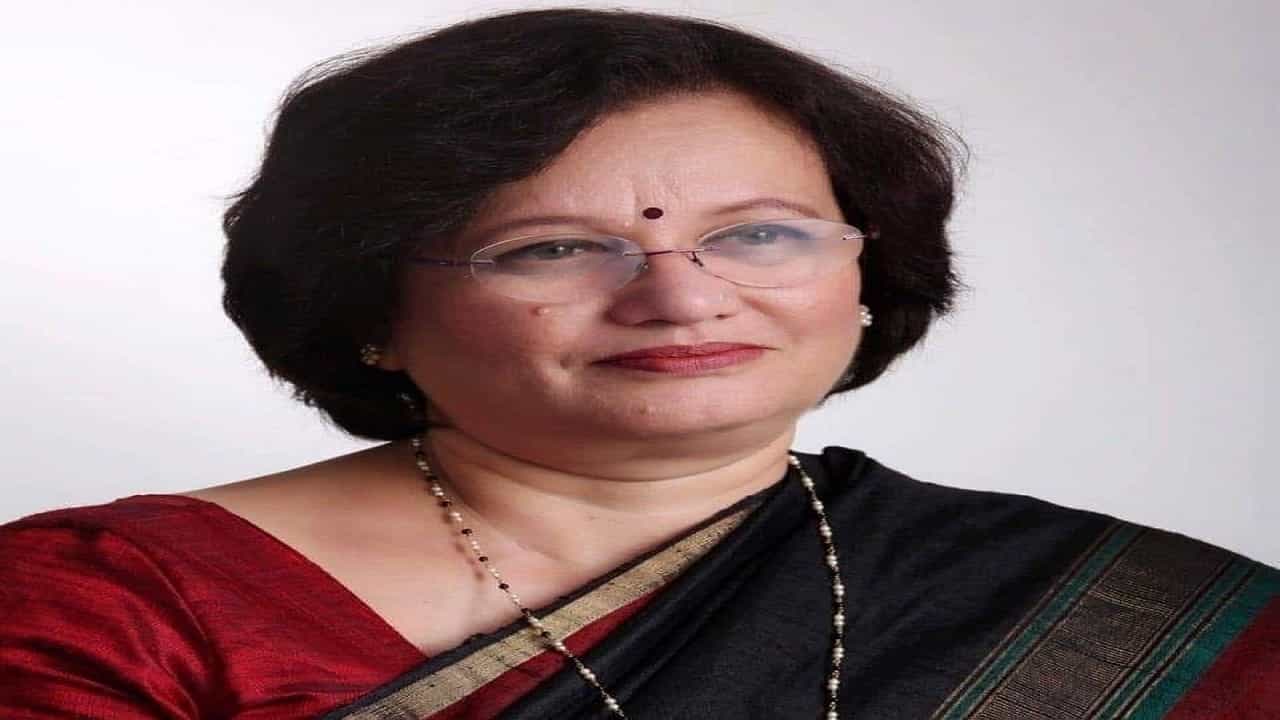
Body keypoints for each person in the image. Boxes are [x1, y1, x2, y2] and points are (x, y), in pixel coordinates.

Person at [0, 8, 1275, 719]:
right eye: (551, 247)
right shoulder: (112, 607)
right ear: (366, 307)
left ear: (862, 277)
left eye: (759, 234)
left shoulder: (1127, 618)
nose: (679, 294)